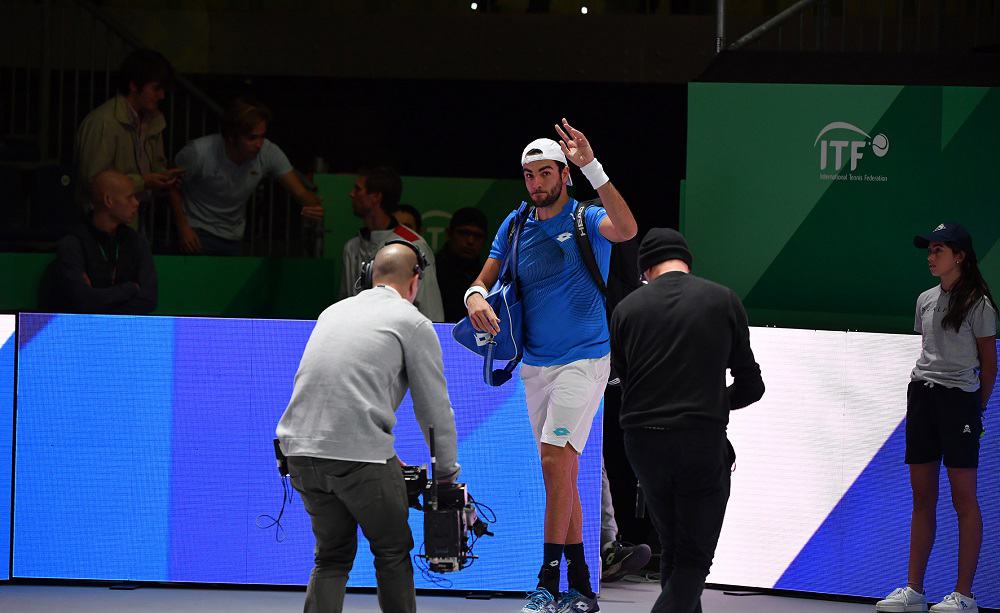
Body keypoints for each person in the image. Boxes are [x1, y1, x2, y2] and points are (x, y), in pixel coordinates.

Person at [466, 118, 638, 613]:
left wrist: (594, 168)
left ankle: (546, 580)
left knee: (551, 459)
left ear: (564, 174)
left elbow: (627, 229)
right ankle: (582, 584)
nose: (537, 184)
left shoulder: (588, 218)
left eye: (546, 173)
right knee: (561, 467)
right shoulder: (516, 223)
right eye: (530, 175)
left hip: (586, 359)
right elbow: (483, 280)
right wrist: (474, 295)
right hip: (534, 365)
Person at [276, 241, 460, 613]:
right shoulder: (412, 321)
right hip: (356, 458)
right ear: (416, 281)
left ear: (368, 275)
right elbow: (434, 410)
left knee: (331, 556)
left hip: (298, 452)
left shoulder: (332, 312)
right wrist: (446, 476)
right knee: (392, 550)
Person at [610, 227, 764, 613]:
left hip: (642, 442)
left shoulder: (626, 309)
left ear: (646, 269)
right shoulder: (722, 300)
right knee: (694, 558)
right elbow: (751, 385)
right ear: (687, 263)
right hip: (699, 439)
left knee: (675, 550)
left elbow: (625, 383)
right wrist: (714, 403)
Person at [876, 223, 997, 613]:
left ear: (959, 256)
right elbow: (928, 352)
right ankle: (915, 590)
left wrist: (974, 409)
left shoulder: (979, 304)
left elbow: (989, 365)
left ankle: (965, 594)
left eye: (938, 250)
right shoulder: (925, 299)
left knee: (964, 499)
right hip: (922, 397)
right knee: (922, 496)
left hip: (960, 402)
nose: (931, 256)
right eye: (929, 250)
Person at [169, 97, 324, 255]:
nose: (259, 144)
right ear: (231, 137)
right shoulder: (198, 152)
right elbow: (171, 185)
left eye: (262, 136)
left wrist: (316, 206)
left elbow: (299, 192)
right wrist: (184, 227)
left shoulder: (268, 152)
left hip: (233, 235)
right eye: (251, 138)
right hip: (197, 230)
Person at [74, 49, 183, 220]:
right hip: (106, 222)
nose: (162, 95)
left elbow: (154, 167)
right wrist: (144, 182)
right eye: (156, 89)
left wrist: (164, 179)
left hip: (135, 218)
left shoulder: (153, 121)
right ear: (134, 85)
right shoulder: (104, 122)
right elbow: (95, 182)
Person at [341, 167, 444, 321]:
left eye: (358, 189)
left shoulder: (413, 244)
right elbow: (344, 304)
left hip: (401, 339)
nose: (351, 194)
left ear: (375, 196)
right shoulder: (352, 246)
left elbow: (431, 310)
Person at [55, 170, 157, 314]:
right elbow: (81, 301)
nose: (136, 203)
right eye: (129, 197)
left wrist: (98, 297)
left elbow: (148, 301)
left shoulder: (137, 242)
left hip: (127, 330)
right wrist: (130, 289)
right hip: (83, 331)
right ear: (108, 200)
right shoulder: (73, 244)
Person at [436, 207, 488, 323]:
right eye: (464, 233)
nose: (470, 241)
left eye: (477, 236)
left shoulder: (488, 277)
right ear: (449, 234)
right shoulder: (432, 270)